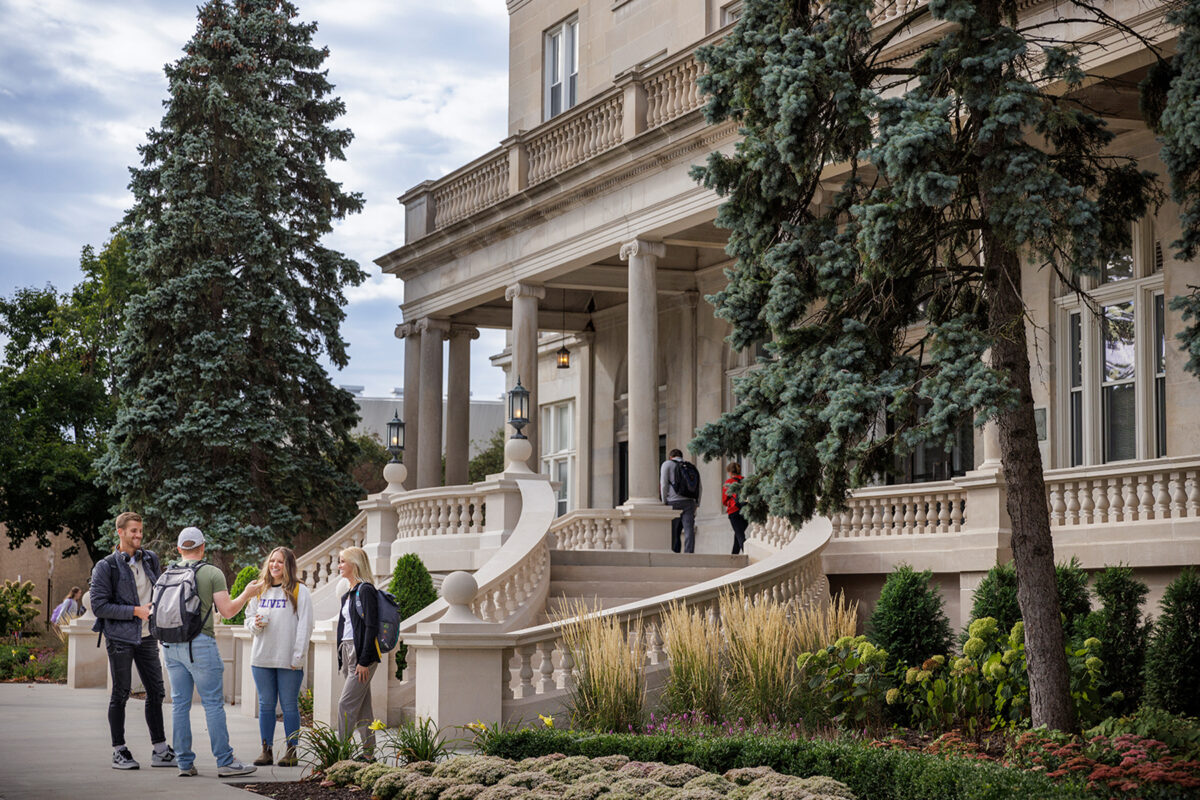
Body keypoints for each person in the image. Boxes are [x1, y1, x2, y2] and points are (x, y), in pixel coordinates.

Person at [160, 526, 263, 778]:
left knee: (180, 705)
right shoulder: (212, 573)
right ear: (203, 547)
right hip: (200, 645)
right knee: (213, 705)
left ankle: (184, 763)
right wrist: (247, 594)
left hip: (170, 646)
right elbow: (227, 611)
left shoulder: (168, 572)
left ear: (179, 549)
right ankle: (225, 761)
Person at [89, 512, 174, 770]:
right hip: (120, 638)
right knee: (121, 692)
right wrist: (134, 611)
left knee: (156, 692)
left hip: (148, 637)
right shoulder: (106, 566)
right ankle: (119, 750)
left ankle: (160, 750)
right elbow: (99, 606)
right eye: (133, 531)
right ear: (120, 532)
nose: (138, 535)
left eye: (140, 531)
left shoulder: (150, 559)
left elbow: (157, 590)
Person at [244, 546, 314, 768]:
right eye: (272, 561)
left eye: (280, 562)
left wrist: (298, 655)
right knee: (265, 705)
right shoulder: (260, 589)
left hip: (288, 659)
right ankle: (266, 751)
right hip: (261, 658)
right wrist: (254, 625)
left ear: (289, 565)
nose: (274, 565)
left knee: (289, 705)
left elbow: (305, 625)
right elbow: (248, 619)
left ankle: (292, 751)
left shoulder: (299, 591)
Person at [335, 546, 380, 759]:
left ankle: (340, 754)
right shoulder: (348, 594)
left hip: (362, 654)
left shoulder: (366, 590)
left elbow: (371, 626)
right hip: (348, 650)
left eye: (343, 561)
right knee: (362, 706)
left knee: (346, 703)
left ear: (355, 564)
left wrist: (363, 660)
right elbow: (346, 627)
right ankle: (369, 754)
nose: (339, 565)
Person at [660, 448, 702, 553]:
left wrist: (664, 501)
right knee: (689, 530)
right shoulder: (690, 466)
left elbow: (664, 484)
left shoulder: (667, 464)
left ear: (670, 457)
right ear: (681, 456)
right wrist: (697, 503)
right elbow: (700, 487)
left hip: (673, 502)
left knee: (674, 531)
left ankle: (675, 553)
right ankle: (689, 553)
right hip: (689, 502)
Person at [723, 463, 749, 556]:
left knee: (739, 534)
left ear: (730, 472)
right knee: (738, 534)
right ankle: (734, 555)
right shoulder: (745, 481)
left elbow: (724, 500)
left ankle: (748, 554)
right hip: (746, 510)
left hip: (734, 511)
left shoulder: (728, 482)